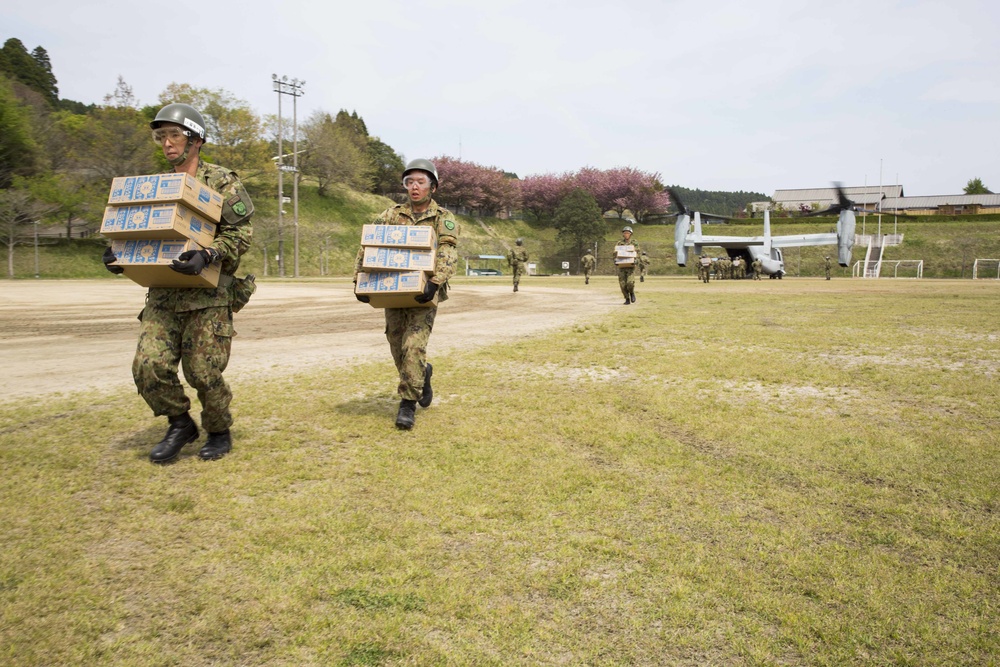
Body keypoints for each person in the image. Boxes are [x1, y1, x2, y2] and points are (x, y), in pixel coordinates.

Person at [102, 103, 254, 463]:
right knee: (148, 367)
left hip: (208, 295)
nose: (167, 143)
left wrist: (210, 253)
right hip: (164, 295)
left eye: (174, 134)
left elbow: (241, 233)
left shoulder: (221, 181)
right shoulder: (161, 187)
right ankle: (179, 423)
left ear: (196, 140)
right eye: (161, 136)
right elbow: (144, 233)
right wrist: (119, 256)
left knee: (203, 372)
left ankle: (218, 429)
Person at [354, 159, 459, 430]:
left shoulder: (442, 217)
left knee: (414, 345)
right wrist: (360, 281)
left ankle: (407, 404)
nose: (414, 187)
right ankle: (421, 374)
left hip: (424, 293)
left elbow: (448, 251)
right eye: (409, 182)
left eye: (420, 182)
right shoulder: (390, 215)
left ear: (432, 187)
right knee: (396, 343)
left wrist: (435, 282)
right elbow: (369, 245)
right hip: (392, 288)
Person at [613, 225, 640, 304]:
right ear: (623, 234)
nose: (626, 234)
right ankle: (627, 298)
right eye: (625, 233)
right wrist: (615, 260)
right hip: (621, 266)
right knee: (622, 284)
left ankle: (632, 293)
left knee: (630, 282)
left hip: (630, 266)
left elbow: (637, 252)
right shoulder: (619, 243)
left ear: (631, 234)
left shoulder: (634, 243)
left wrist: (636, 261)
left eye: (628, 233)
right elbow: (615, 253)